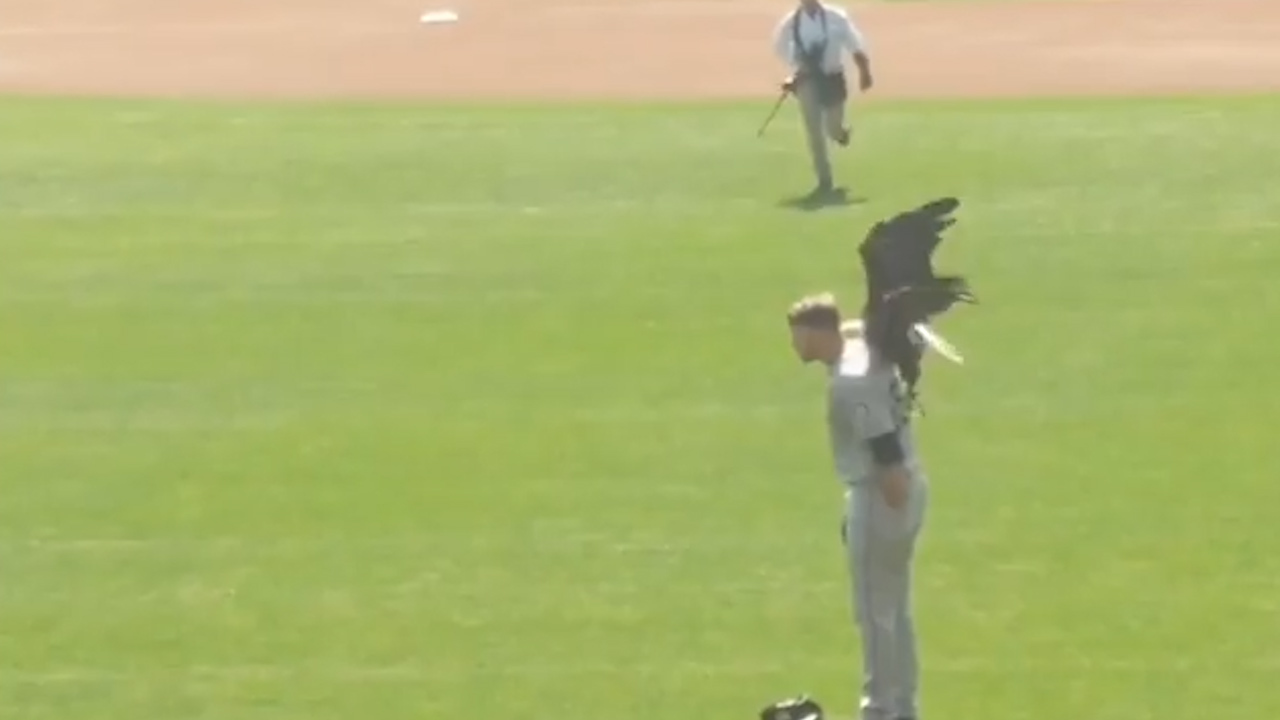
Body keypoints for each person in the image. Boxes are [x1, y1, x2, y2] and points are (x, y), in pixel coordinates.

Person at [783, 198, 976, 720]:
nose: (794, 343)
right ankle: (903, 706)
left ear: (815, 333)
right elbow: (855, 328)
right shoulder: (862, 347)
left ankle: (881, 709)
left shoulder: (850, 383)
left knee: (875, 614)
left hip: (884, 492)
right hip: (910, 485)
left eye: (798, 334)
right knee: (896, 610)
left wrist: (882, 507)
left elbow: (884, 447)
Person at [772, 0, 874, 196]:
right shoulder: (791, 22)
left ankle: (840, 134)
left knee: (832, 128)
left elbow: (855, 45)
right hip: (808, 80)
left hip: (832, 77)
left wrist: (865, 72)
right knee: (814, 131)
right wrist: (797, 64)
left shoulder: (836, 17)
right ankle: (824, 179)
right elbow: (779, 47)